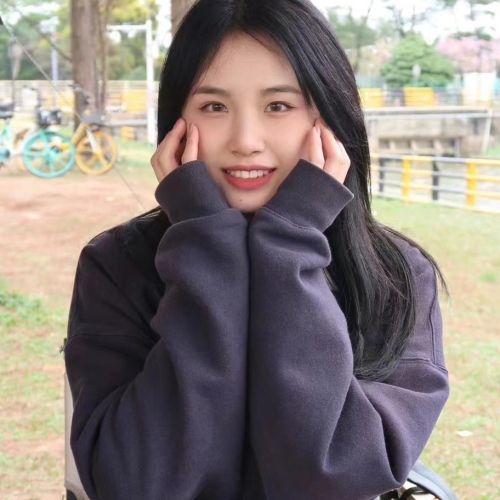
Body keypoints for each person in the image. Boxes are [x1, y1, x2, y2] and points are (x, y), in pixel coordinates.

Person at [64, 0, 450, 498]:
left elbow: (335, 476)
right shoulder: (116, 265)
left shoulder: (395, 275)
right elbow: (137, 483)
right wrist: (205, 244)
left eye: (278, 106)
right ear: (176, 123)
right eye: (214, 107)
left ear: (329, 118)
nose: (245, 141)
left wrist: (290, 246)